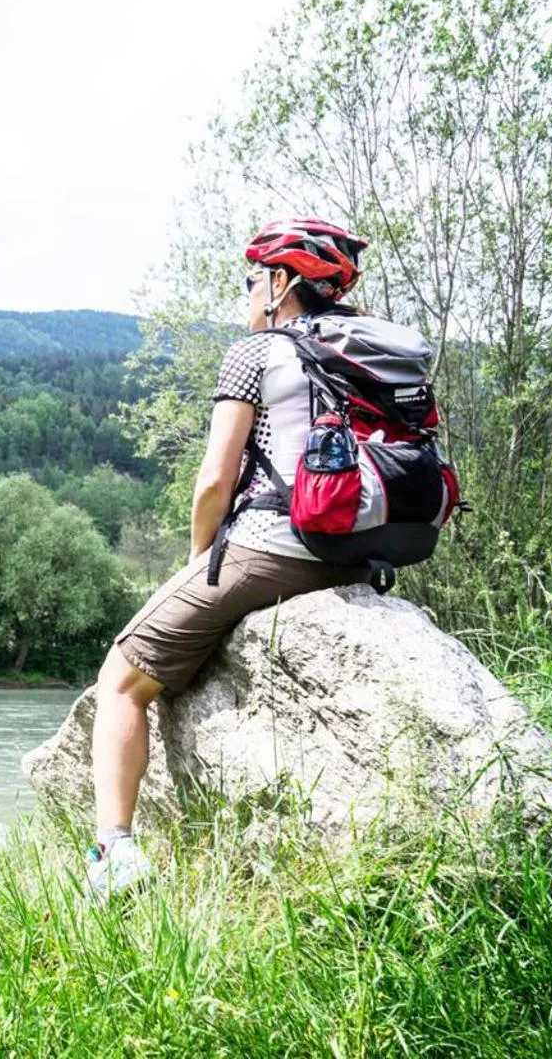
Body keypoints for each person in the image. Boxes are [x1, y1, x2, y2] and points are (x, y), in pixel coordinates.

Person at [85, 217, 375, 899]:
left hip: (274, 548)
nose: (246, 294)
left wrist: (197, 562)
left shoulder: (257, 352)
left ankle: (113, 857)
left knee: (120, 678)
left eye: (251, 281)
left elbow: (214, 480)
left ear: (280, 284)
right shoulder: (371, 350)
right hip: (361, 557)